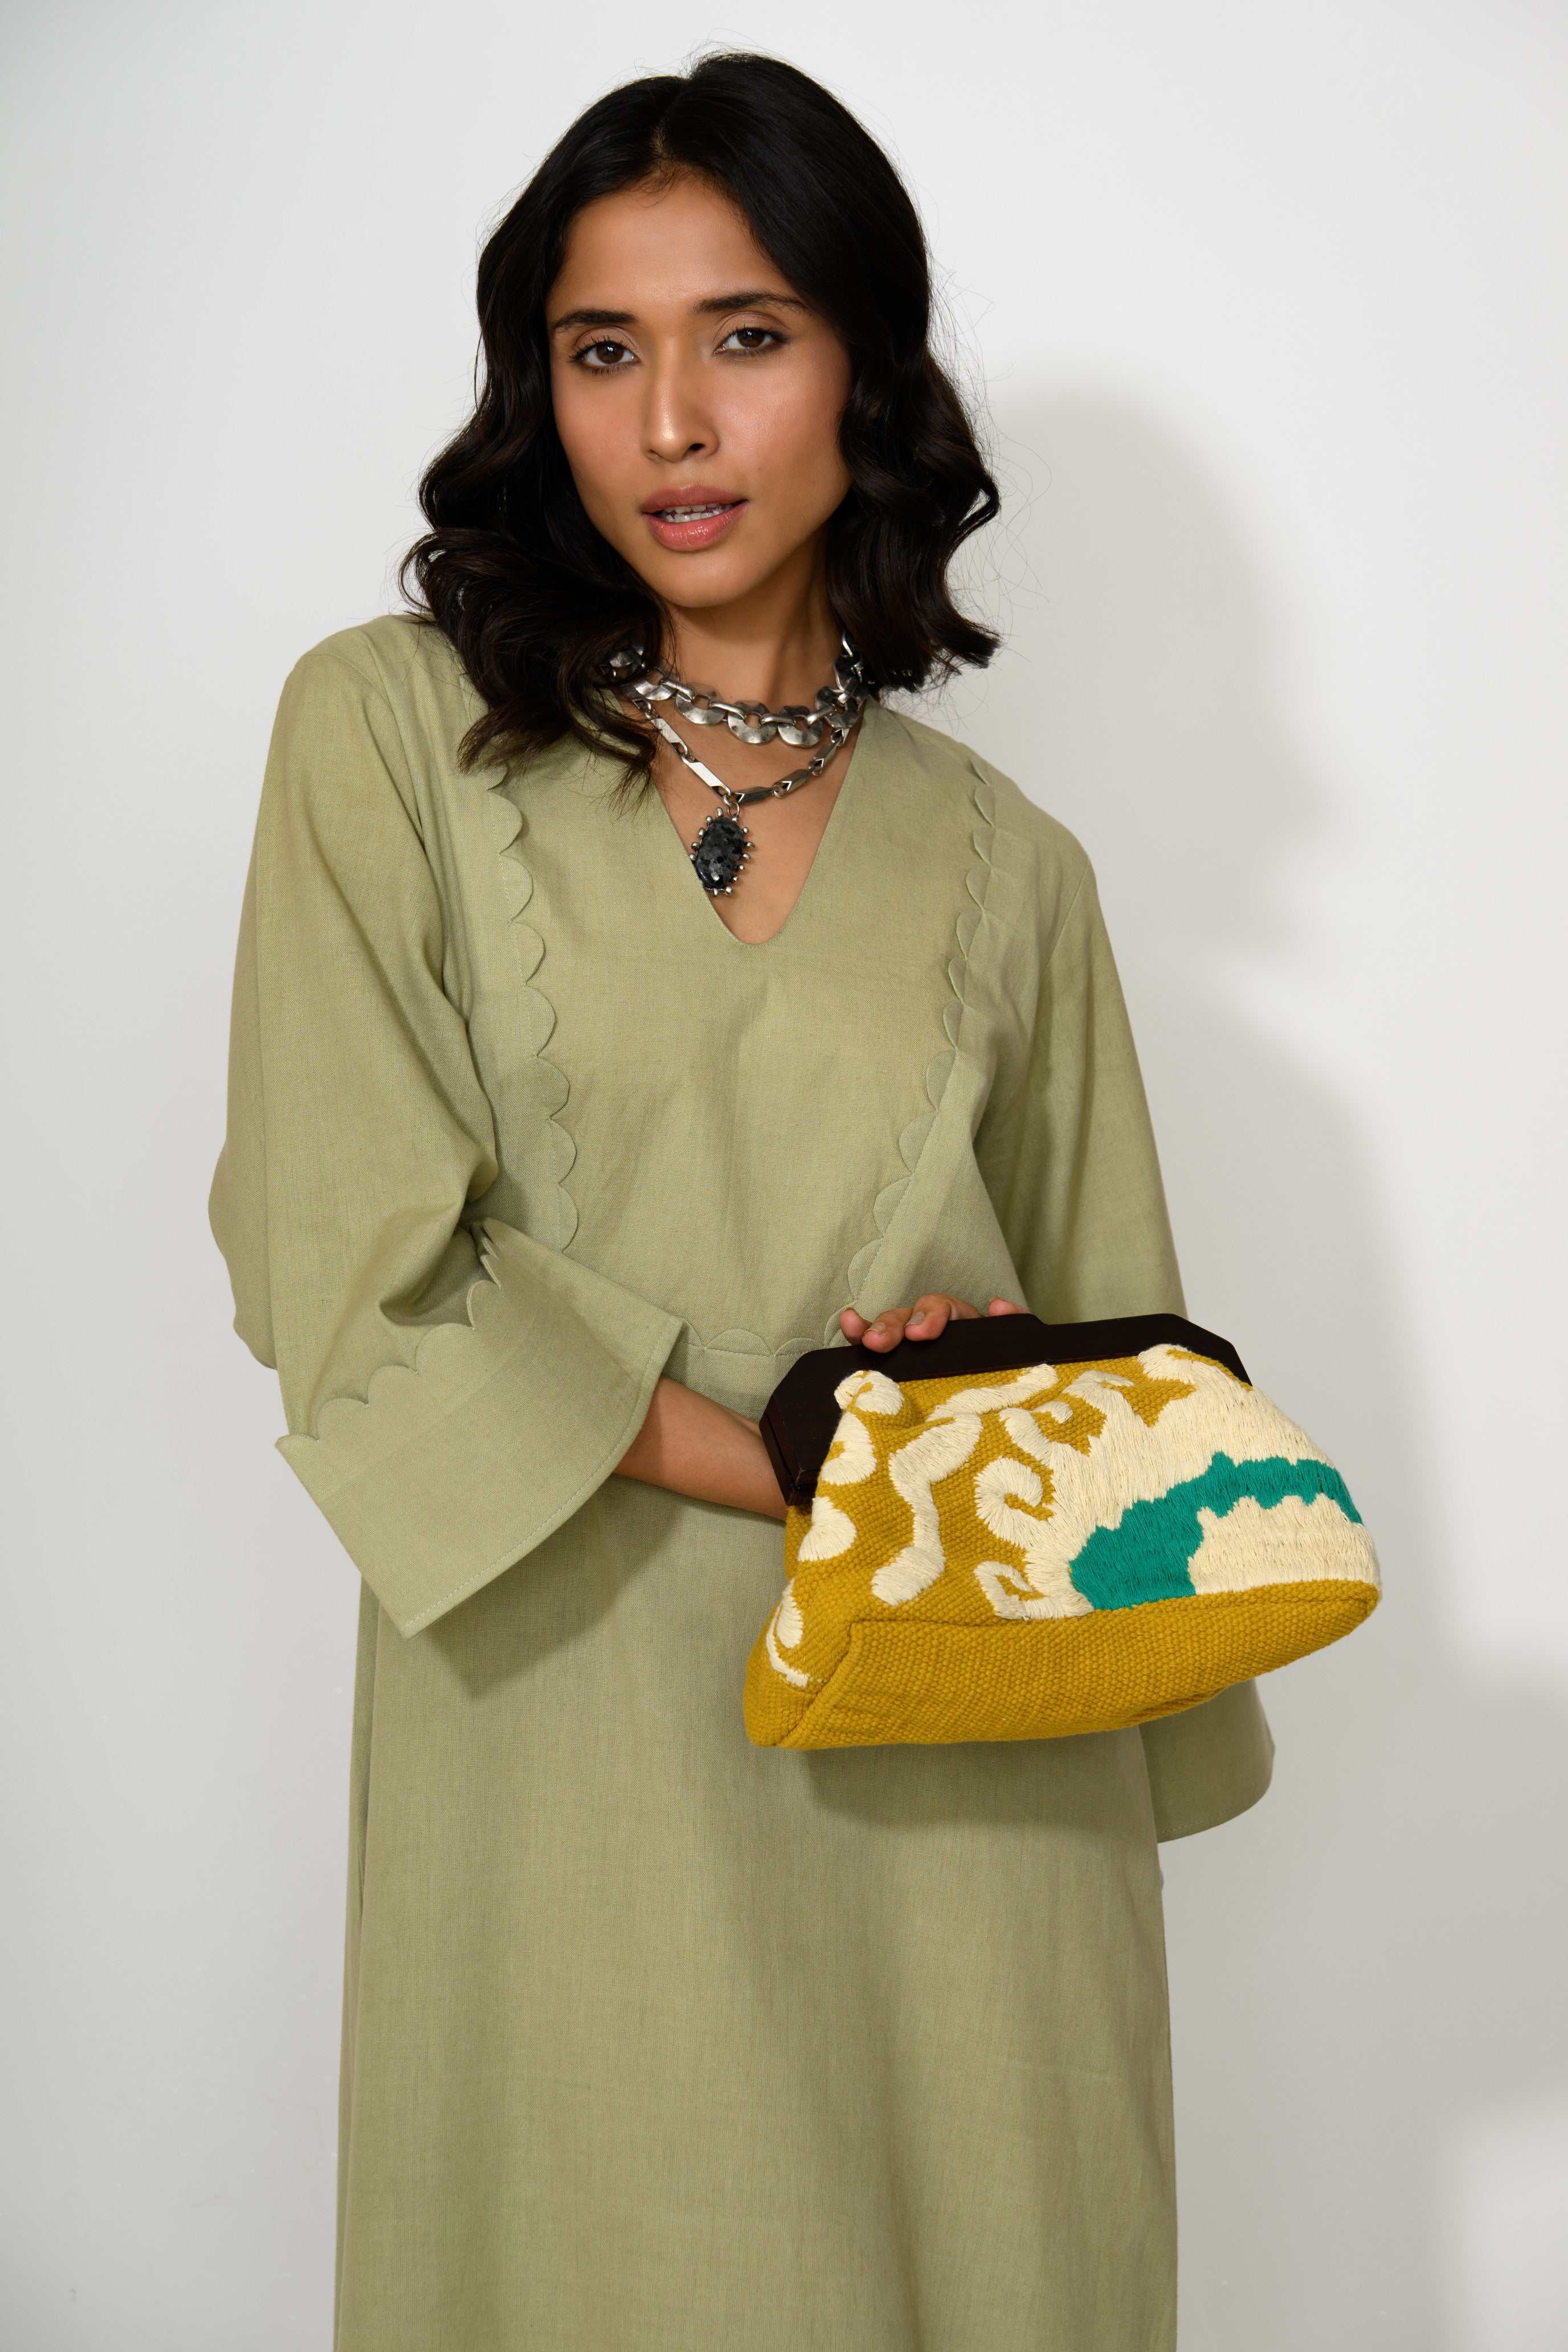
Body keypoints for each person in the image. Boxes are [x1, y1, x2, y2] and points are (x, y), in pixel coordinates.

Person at [211, 51, 1273, 2352]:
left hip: (972, 1808)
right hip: (567, 1773)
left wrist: (976, 1401)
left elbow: (1140, 1412)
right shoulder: (388, 737)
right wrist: (808, 1451)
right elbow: (348, 1269)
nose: (672, 422)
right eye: (603, 350)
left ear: (862, 375)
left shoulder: (1014, 869)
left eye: (747, 336)